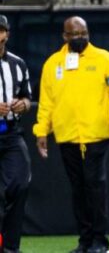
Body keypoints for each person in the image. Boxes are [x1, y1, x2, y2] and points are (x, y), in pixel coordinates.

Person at [33, 16, 109, 253]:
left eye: (82, 33)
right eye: (73, 34)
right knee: (78, 189)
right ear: (64, 36)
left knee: (95, 185)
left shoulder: (105, 59)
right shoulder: (52, 64)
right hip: (67, 135)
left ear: (88, 32)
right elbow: (47, 102)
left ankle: (100, 242)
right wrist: (42, 130)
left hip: (97, 135)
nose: (79, 38)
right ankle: (85, 241)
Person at [0, 15, 32, 253]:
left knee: (20, 184)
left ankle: (11, 247)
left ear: (7, 34)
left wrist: (23, 104)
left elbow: (27, 97)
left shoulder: (17, 63)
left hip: (11, 133)